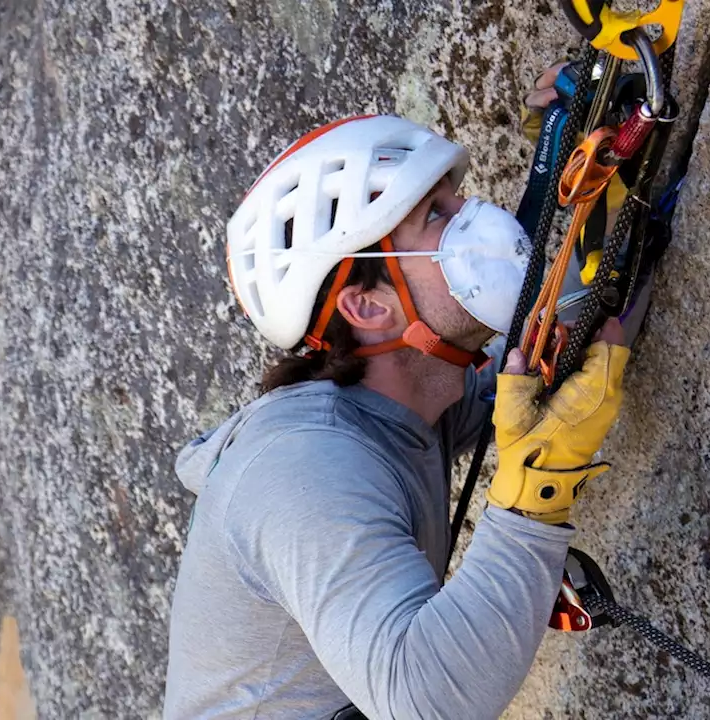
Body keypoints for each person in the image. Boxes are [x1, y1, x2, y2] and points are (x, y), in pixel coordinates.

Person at [164, 84, 632, 719]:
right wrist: (534, 492)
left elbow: (561, 343)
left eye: (451, 197)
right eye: (435, 216)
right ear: (368, 305)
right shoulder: (303, 470)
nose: (474, 215)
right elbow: (428, 701)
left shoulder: (413, 397)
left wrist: (590, 167)